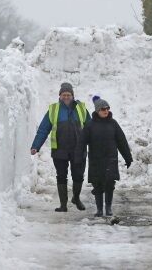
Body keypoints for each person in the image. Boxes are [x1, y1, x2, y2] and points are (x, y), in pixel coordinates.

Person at [31, 82, 91, 212]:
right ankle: (63, 205)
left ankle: (76, 198)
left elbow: (91, 128)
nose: (66, 97)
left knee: (78, 175)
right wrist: (36, 145)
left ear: (73, 95)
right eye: (63, 94)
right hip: (60, 149)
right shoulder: (53, 109)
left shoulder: (81, 108)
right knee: (61, 176)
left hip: (78, 149)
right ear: (60, 96)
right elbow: (43, 129)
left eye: (68, 94)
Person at [77, 96, 133, 217]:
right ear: (97, 110)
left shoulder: (113, 124)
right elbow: (81, 142)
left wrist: (128, 158)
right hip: (95, 161)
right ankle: (99, 209)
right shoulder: (90, 125)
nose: (106, 111)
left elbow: (121, 142)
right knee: (97, 185)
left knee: (109, 184)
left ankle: (108, 208)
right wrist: (78, 157)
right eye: (103, 109)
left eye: (107, 108)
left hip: (110, 159)